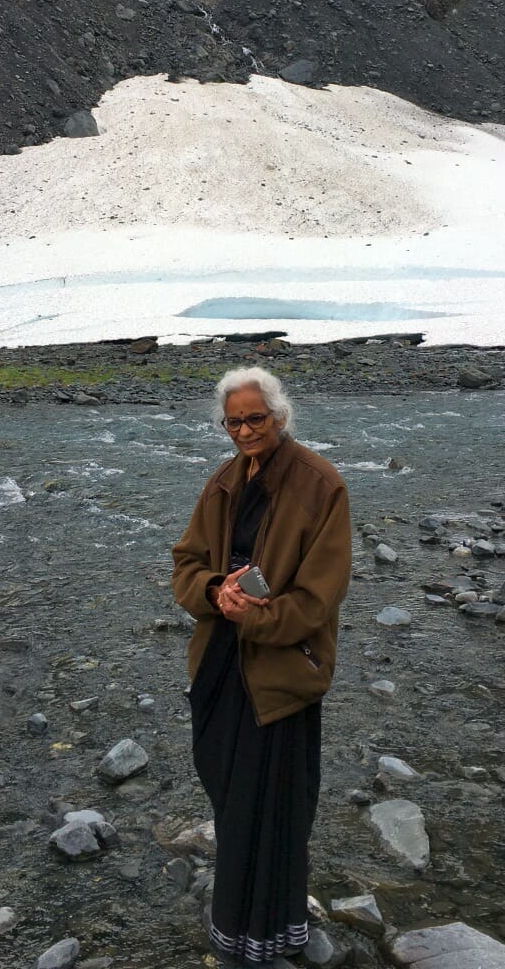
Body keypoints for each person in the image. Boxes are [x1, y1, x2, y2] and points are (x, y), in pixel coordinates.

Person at [172, 366, 352, 965]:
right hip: (222, 662)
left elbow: (317, 600)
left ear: (279, 417)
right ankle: (237, 929)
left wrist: (255, 617)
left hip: (281, 673)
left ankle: (273, 934)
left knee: (275, 806)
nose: (245, 430)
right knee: (230, 795)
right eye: (235, 421)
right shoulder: (225, 481)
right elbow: (187, 562)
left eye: (256, 418)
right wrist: (215, 590)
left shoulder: (320, 485)